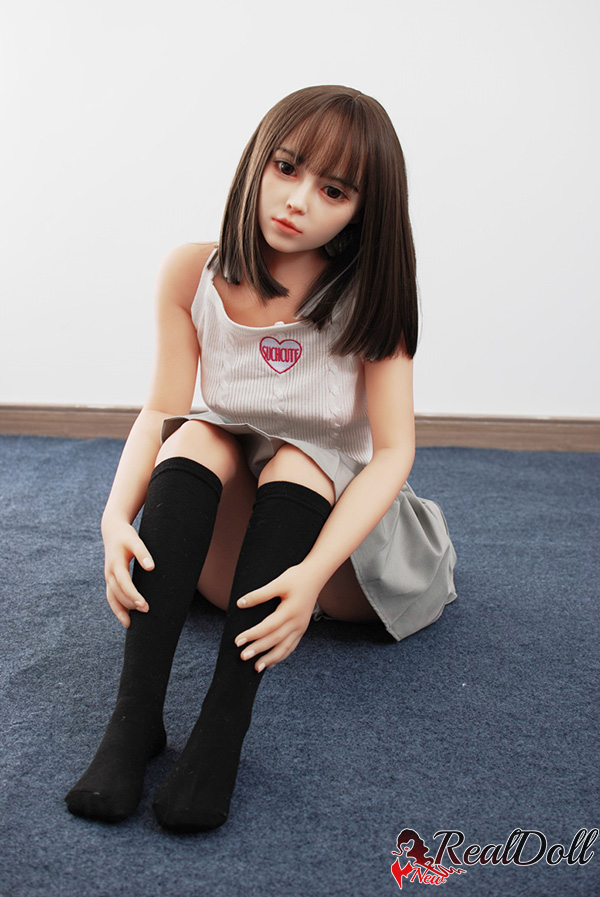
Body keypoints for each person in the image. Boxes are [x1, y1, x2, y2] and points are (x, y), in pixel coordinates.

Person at [65, 85, 457, 833]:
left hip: (339, 559)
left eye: (333, 190)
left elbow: (393, 453)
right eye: (287, 167)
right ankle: (133, 722)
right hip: (238, 550)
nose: (298, 200)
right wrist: (115, 518)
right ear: (258, 161)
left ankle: (223, 729)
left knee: (302, 459)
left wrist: (312, 574)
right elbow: (159, 410)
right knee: (197, 432)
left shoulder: (373, 297)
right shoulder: (193, 274)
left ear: (361, 211)